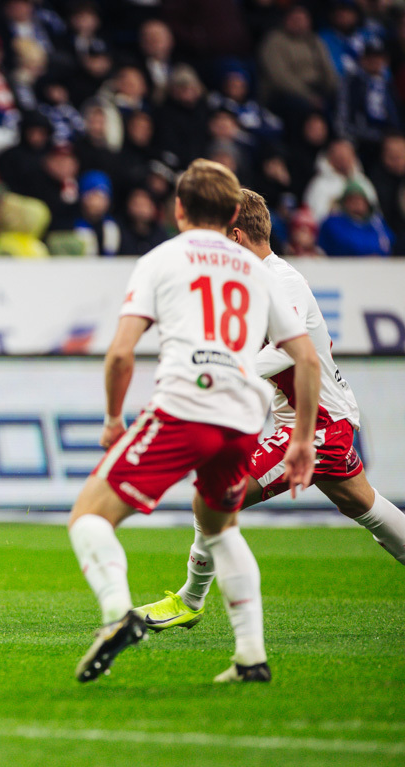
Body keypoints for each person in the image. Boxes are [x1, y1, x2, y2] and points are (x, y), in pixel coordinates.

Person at [68, 159, 321, 685]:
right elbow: (307, 357)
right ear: (231, 214)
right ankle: (250, 657)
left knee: (89, 517)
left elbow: (121, 353)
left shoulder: (162, 259)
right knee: (220, 525)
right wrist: (302, 440)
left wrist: (113, 418)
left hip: (186, 407)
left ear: (179, 209)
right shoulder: (258, 270)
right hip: (243, 418)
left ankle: (117, 615)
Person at [136, 188, 405, 631]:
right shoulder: (248, 285)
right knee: (363, 503)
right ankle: (191, 600)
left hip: (317, 424)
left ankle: (190, 600)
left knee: (217, 493)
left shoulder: (282, 281)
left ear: (236, 236)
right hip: (309, 419)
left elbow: (287, 348)